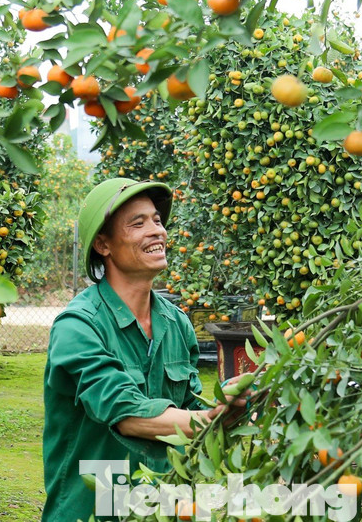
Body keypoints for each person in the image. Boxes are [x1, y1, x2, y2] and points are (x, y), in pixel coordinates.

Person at [42, 177, 246, 522]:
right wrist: (205, 421)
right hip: (91, 508)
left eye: (156, 220)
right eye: (138, 223)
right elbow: (126, 414)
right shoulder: (78, 326)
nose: (156, 231)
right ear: (104, 245)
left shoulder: (177, 324)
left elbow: (191, 403)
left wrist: (224, 405)